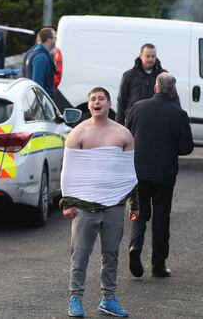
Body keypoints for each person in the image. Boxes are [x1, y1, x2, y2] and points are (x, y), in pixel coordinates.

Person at [60, 87, 139, 318]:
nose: (97, 102)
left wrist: (134, 204)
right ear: (88, 105)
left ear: (109, 103)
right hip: (85, 206)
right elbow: (68, 172)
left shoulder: (123, 134)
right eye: (93, 99)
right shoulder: (78, 133)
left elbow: (129, 172)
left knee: (111, 254)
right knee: (80, 255)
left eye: (101, 99)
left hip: (114, 204)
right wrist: (67, 202)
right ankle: (75, 299)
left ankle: (109, 299)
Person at [125, 72, 193, 278]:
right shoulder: (178, 114)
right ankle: (158, 264)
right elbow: (187, 147)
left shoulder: (138, 107)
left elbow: (128, 135)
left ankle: (135, 247)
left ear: (155, 87)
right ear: (173, 90)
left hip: (138, 171)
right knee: (161, 218)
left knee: (138, 212)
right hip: (164, 174)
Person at [116, 43, 174, 126]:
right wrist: (119, 125)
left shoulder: (164, 75)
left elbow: (173, 98)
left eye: (153, 56)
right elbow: (121, 101)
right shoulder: (129, 75)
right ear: (140, 56)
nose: (150, 59)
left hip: (158, 121)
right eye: (147, 56)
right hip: (134, 122)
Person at [22, 27, 56, 97]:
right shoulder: (41, 57)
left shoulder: (32, 52)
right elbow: (37, 86)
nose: (56, 40)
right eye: (55, 37)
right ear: (49, 40)